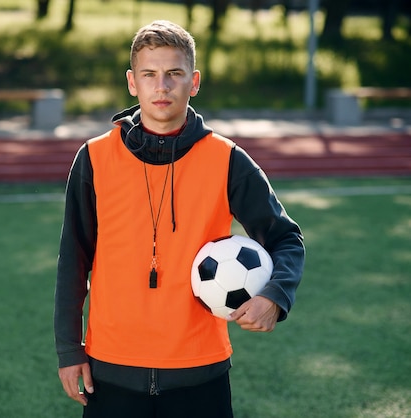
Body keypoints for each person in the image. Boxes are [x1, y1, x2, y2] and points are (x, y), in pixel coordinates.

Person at [54, 20, 305, 418]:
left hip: (199, 372)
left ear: (195, 81)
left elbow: (286, 238)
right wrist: (70, 350)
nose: (162, 86)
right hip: (111, 370)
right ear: (132, 83)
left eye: (175, 74)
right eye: (149, 74)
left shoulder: (226, 159)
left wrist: (275, 295)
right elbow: (74, 260)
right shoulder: (95, 158)